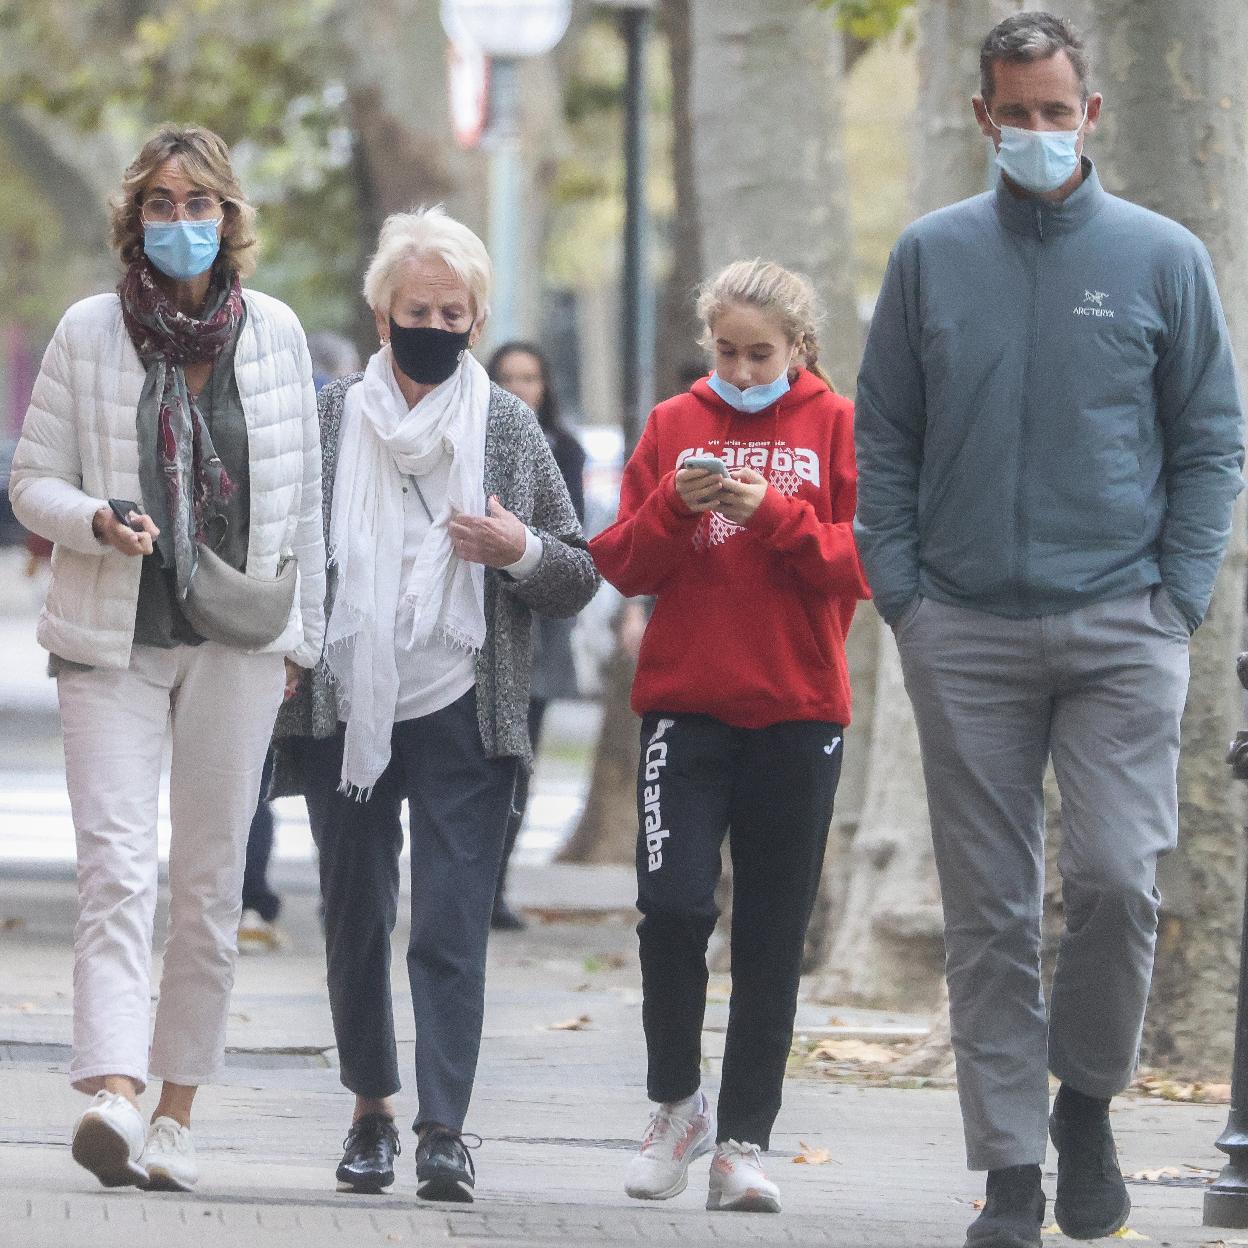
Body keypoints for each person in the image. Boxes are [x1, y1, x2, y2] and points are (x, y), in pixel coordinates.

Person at [854, 13, 1245, 1248]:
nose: (1034, 131)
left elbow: (1212, 438)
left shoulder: (1162, 257)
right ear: (981, 117)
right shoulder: (930, 255)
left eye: (1053, 110)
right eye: (1012, 112)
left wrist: (1177, 598)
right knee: (990, 912)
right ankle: (1012, 1168)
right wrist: (907, 598)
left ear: (1092, 114)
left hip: (1124, 623)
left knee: (1120, 884)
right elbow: (885, 438)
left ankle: (1086, 1101)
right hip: (962, 628)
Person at [10, 123, 326, 1192]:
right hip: (113, 635)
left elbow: (306, 511)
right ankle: (113, 1092)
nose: (181, 224)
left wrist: (303, 641)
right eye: (162, 204)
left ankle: (178, 1110)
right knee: (114, 867)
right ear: (133, 219)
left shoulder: (277, 335)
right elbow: (29, 481)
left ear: (230, 219)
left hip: (240, 641)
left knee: (207, 883)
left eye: (199, 205)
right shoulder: (91, 332)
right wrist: (95, 518)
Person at [271, 206, 599, 1202]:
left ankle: (444, 1129)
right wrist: (287, 651)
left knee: (451, 925)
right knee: (354, 915)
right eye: (418, 308)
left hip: (467, 709)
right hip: (349, 713)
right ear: (382, 315)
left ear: (477, 317)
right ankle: (371, 1107)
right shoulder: (330, 420)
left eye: (454, 311)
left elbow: (578, 572)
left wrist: (522, 551)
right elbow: (282, 550)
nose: (436, 325)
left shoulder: (505, 426)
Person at [591, 258, 871, 1215]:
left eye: (762, 355)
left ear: (800, 350)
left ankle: (743, 1143)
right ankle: (675, 1106)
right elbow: (621, 560)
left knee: (771, 935)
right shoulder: (675, 426)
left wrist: (775, 512)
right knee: (671, 910)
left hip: (799, 712)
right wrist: (680, 503)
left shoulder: (834, 424)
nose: (743, 372)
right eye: (727, 352)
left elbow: (863, 562)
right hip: (686, 708)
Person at [238, 331, 361, 956]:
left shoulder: (265, 422)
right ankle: (339, 897)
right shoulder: (350, 425)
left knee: (250, 774)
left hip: (262, 624)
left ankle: (249, 897)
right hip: (327, 637)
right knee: (336, 784)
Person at [486, 341, 587, 930]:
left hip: (543, 627)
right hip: (485, 623)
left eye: (532, 378)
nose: (522, 388)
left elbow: (573, 539)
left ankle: (497, 884)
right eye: (510, 378)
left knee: (522, 761)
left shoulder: (565, 450)